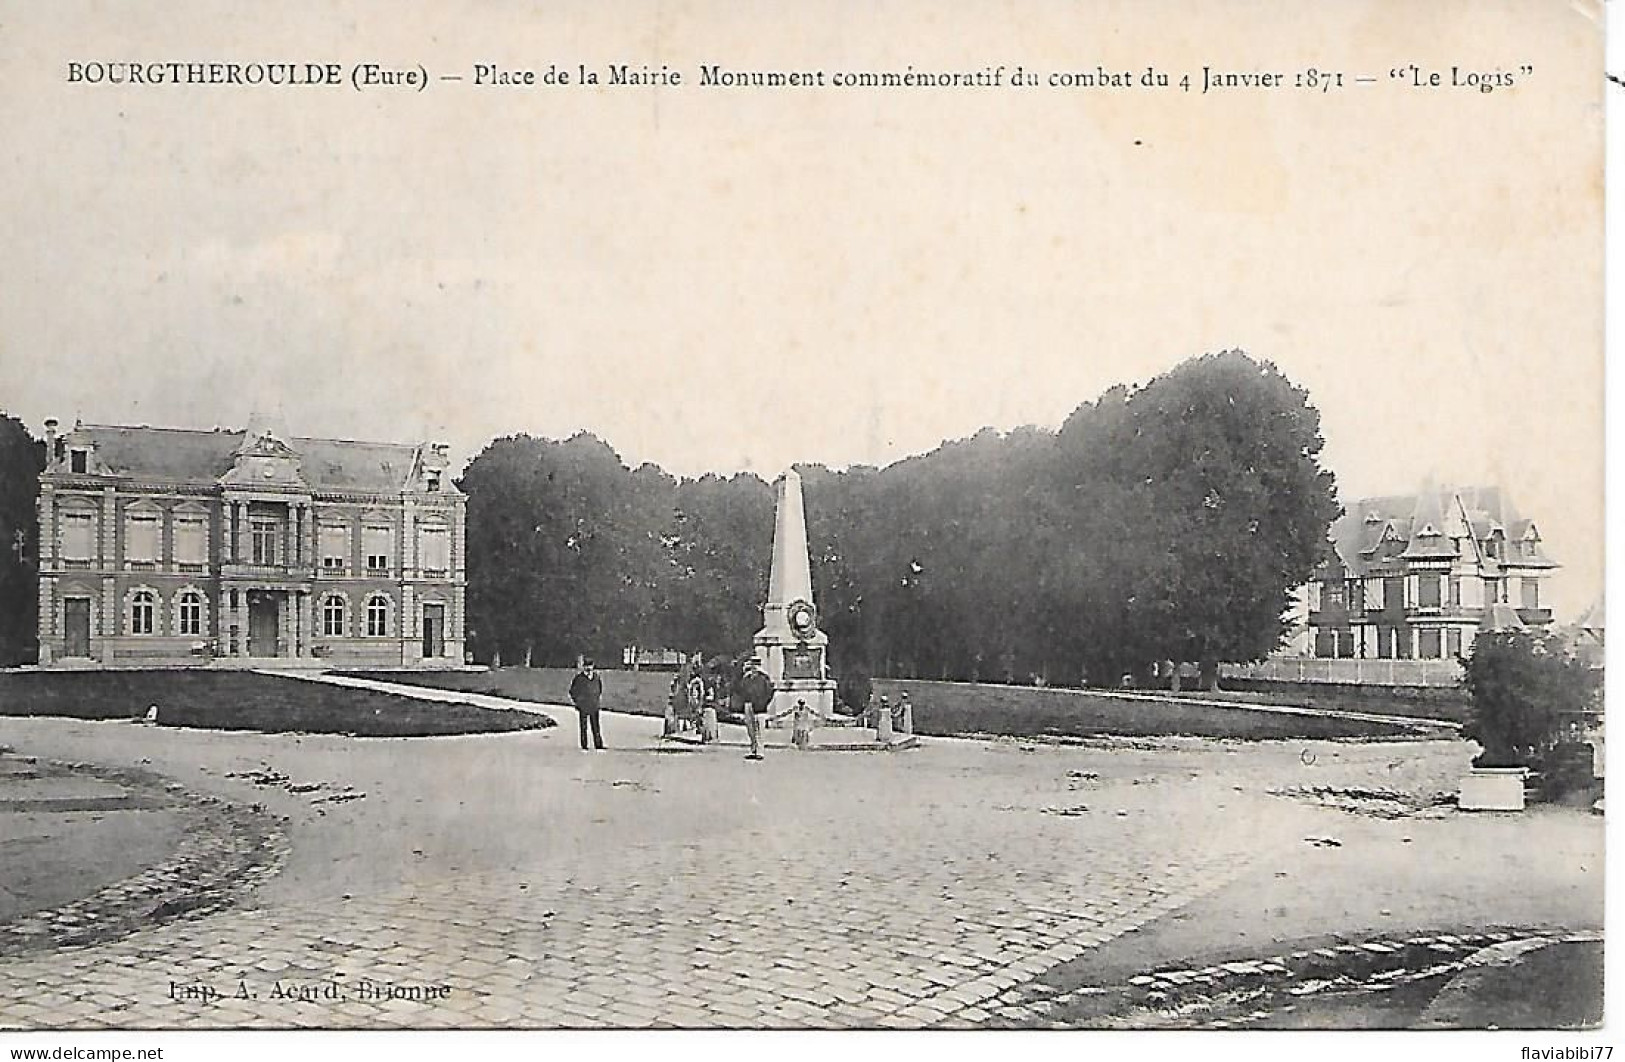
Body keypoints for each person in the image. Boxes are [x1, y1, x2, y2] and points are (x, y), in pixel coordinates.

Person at [735, 656, 776, 761]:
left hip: (760, 706)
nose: (754, 667)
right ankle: (753, 749)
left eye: (756, 665)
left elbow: (770, 691)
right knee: (750, 729)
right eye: (752, 665)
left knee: (760, 729)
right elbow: (739, 689)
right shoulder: (747, 678)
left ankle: (760, 751)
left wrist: (764, 702)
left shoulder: (764, 678)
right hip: (748, 704)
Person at [569, 658, 605, 750]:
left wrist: (597, 699)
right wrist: (578, 702)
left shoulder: (596, 677)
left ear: (593, 666)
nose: (589, 668)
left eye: (590, 665)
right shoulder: (579, 678)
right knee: (584, 726)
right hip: (583, 705)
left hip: (594, 704)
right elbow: (572, 691)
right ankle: (584, 745)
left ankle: (598, 744)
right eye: (587, 666)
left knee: (596, 726)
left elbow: (599, 689)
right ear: (584, 667)